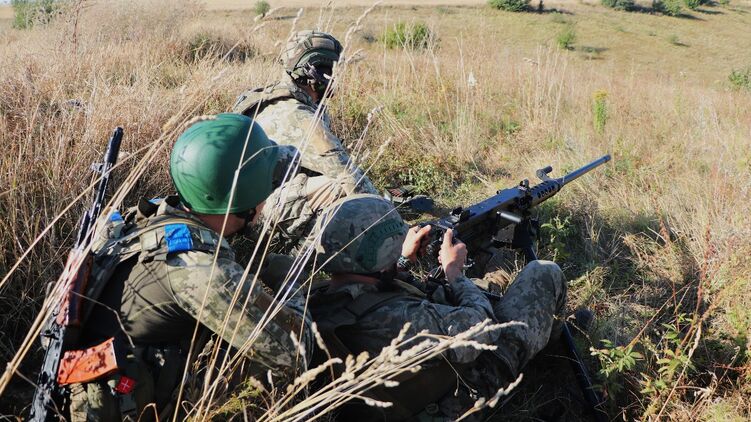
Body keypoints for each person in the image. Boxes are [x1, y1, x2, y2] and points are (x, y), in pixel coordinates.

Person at [64, 113, 312, 421]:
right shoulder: (199, 271)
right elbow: (295, 354)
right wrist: (290, 277)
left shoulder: (140, 218)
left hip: (97, 373)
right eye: (270, 184)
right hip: (122, 400)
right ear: (244, 200)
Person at [308, 194, 567, 421]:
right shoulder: (400, 319)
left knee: (479, 287)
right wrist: (455, 273)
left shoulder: (321, 297)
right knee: (543, 273)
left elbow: (372, 292)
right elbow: (483, 328)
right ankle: (551, 345)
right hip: (451, 398)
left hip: (397, 391)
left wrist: (400, 261)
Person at [232, 30, 379, 253]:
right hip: (255, 218)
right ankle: (301, 253)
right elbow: (348, 176)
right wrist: (391, 220)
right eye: (331, 70)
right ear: (316, 72)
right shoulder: (299, 117)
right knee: (337, 187)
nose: (334, 78)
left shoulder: (270, 98)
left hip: (245, 208)